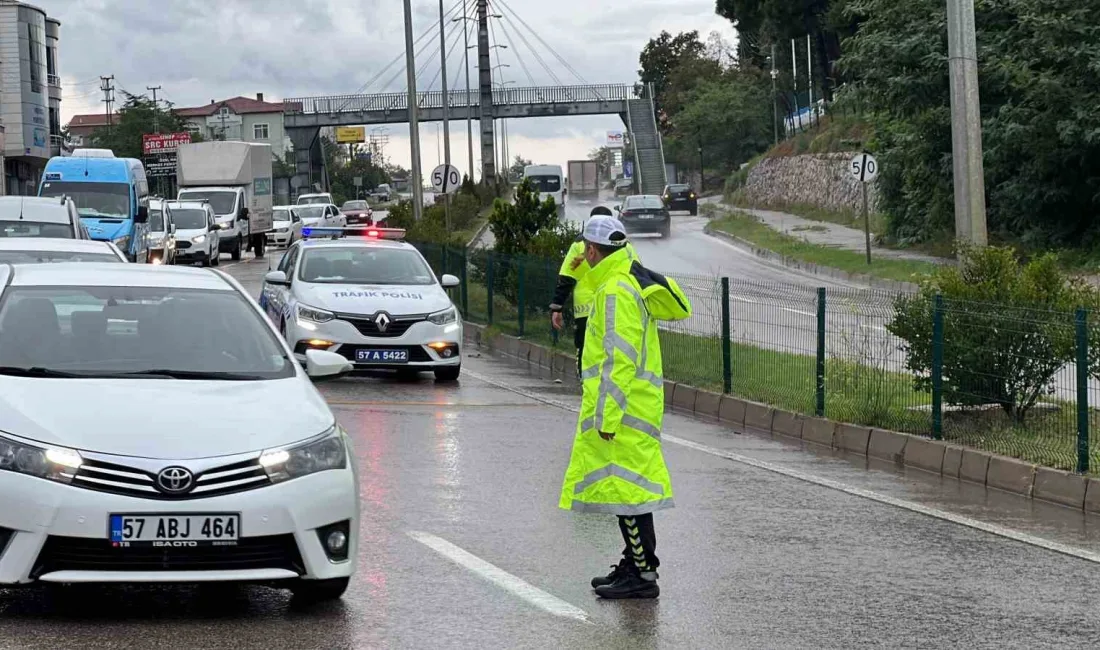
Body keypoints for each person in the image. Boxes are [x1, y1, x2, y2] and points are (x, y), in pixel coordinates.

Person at [558, 215, 692, 600]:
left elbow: (620, 359)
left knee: (628, 494)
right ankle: (637, 566)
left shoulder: (615, 290)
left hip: (626, 410)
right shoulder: (623, 281)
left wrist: (608, 416)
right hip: (634, 406)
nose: (583, 255)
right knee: (627, 490)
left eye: (586, 248)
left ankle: (642, 575)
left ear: (594, 250)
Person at [549, 206, 638, 376]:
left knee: (586, 350)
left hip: (586, 310)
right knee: (618, 349)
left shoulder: (579, 245)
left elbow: (566, 278)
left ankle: (586, 382)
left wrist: (557, 307)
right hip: (620, 307)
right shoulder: (627, 248)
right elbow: (638, 276)